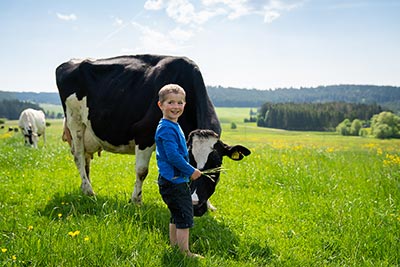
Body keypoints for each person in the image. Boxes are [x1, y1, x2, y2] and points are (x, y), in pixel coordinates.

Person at [155, 84, 203, 258]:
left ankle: (175, 247)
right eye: (170, 102)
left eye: (179, 102)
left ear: (184, 104)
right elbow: (173, 156)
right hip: (174, 181)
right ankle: (185, 252)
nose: (176, 106)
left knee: (176, 214)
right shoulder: (167, 128)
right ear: (161, 105)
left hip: (172, 179)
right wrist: (191, 171)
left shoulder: (171, 124)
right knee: (184, 215)